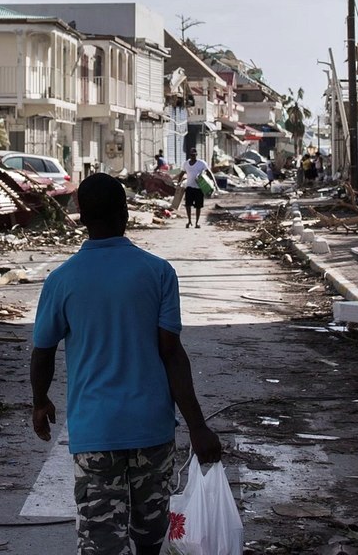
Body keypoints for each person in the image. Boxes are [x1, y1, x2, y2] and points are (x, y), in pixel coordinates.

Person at [31, 174, 222, 555]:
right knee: (151, 539)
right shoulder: (158, 272)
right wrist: (198, 428)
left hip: (95, 431)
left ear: (81, 217)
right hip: (151, 430)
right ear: (126, 213)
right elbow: (172, 354)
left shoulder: (61, 280)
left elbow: (43, 350)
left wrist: (40, 401)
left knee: (102, 543)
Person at [175, 147, 211, 228]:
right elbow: (181, 173)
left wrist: (211, 183)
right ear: (189, 155)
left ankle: (197, 223)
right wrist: (178, 183)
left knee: (198, 206)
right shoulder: (186, 164)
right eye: (191, 155)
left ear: (196, 155)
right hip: (189, 187)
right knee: (188, 205)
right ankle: (189, 221)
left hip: (199, 188)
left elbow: (209, 172)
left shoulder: (201, 163)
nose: (193, 156)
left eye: (194, 155)